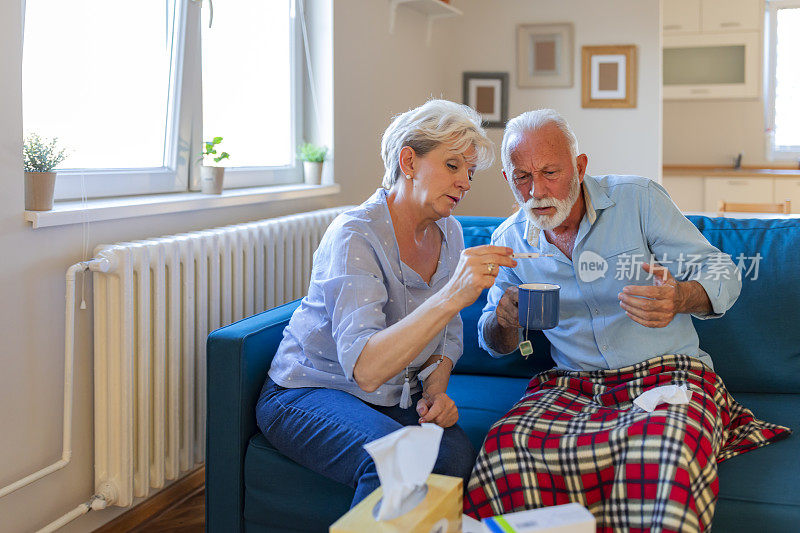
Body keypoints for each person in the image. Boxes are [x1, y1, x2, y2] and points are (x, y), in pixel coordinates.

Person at [463, 109, 791, 531]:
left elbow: (722, 271)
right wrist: (505, 321)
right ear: (508, 180)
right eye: (522, 177)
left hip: (667, 375)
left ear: (579, 168)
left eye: (550, 172)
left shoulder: (638, 200)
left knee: (663, 452)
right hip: (574, 386)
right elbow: (494, 341)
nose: (537, 190)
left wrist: (679, 297)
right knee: (505, 447)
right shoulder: (508, 241)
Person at [256, 99, 516, 509]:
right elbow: (367, 369)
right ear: (408, 161)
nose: (465, 182)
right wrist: (451, 297)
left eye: (469, 172)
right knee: (396, 461)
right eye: (452, 166)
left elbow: (445, 340)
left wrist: (434, 392)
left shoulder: (451, 233)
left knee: (455, 456)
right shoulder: (355, 235)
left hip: (395, 396)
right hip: (309, 390)